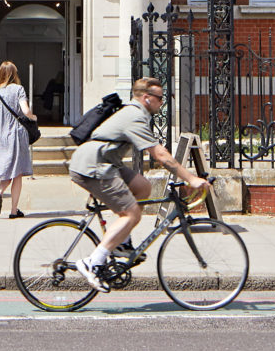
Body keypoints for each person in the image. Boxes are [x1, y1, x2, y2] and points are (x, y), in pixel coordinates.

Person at [64, 76, 210, 292]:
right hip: (93, 166)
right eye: (160, 98)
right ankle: (93, 262)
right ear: (146, 98)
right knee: (132, 213)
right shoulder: (134, 116)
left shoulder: (135, 113)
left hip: (105, 163)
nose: (162, 104)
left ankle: (122, 242)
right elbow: (160, 155)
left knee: (142, 186)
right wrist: (190, 178)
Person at [0, 61, 37, 219]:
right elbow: (25, 110)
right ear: (14, 74)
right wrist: (32, 117)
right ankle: (13, 210)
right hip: (16, 134)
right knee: (17, 173)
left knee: (7, 168)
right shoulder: (18, 89)